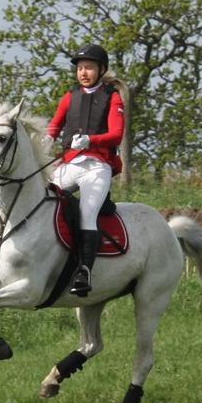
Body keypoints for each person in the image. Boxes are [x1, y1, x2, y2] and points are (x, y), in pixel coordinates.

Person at [46, 43, 125, 297]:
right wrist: (45, 140)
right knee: (44, 199)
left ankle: (83, 271)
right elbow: (54, 126)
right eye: (80, 68)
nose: (83, 72)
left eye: (89, 67)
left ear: (101, 70)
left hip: (97, 166)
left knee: (87, 213)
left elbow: (117, 134)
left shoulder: (112, 97)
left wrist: (91, 140)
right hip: (69, 163)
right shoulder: (70, 96)